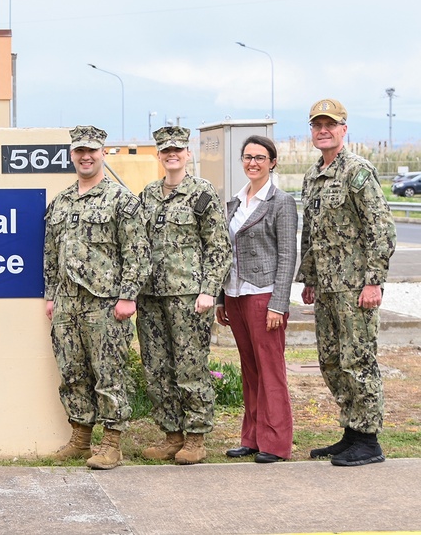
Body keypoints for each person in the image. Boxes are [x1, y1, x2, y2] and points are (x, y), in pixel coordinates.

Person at [43, 125, 150, 470]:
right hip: (67, 303)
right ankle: (81, 437)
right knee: (72, 371)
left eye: (91, 151)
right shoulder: (60, 202)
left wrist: (128, 296)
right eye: (79, 151)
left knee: (109, 373)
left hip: (105, 303)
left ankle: (112, 443)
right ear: (71, 155)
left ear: (103, 153)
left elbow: (137, 252)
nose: (85, 157)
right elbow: (49, 253)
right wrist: (50, 296)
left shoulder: (121, 200)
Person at [297, 98, 396, 466]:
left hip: (355, 289)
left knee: (359, 360)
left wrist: (373, 282)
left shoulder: (357, 172)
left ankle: (369, 440)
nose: (323, 130)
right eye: (317, 125)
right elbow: (312, 232)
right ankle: (352, 431)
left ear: (343, 129)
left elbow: (381, 230)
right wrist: (308, 278)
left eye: (330, 124)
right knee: (332, 361)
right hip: (326, 287)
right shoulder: (312, 176)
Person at [137, 125, 230, 465]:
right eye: (165, 150)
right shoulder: (147, 195)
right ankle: (171, 435)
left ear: (187, 154)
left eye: (177, 149)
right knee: (157, 368)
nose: (171, 154)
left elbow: (218, 246)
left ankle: (195, 438)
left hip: (188, 296)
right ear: (159, 155)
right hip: (150, 296)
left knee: (190, 367)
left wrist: (209, 290)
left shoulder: (201, 193)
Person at [215, 136, 298, 463]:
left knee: (270, 371)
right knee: (250, 371)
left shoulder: (281, 202)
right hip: (235, 294)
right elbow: (226, 253)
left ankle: (276, 443)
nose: (253, 162)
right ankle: (251, 437)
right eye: (248, 157)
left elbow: (288, 255)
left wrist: (279, 303)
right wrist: (222, 297)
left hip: (264, 296)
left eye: (260, 157)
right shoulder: (234, 203)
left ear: (272, 162)